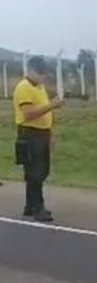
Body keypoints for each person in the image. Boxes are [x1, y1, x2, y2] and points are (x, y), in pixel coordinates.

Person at [13, 55, 64, 222]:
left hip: (42, 133)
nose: (43, 77)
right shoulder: (23, 87)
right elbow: (29, 113)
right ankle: (37, 207)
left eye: (44, 73)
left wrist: (50, 135)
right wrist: (52, 105)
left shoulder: (40, 88)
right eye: (40, 73)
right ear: (31, 70)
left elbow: (44, 113)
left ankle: (30, 205)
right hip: (30, 133)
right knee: (35, 171)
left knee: (41, 171)